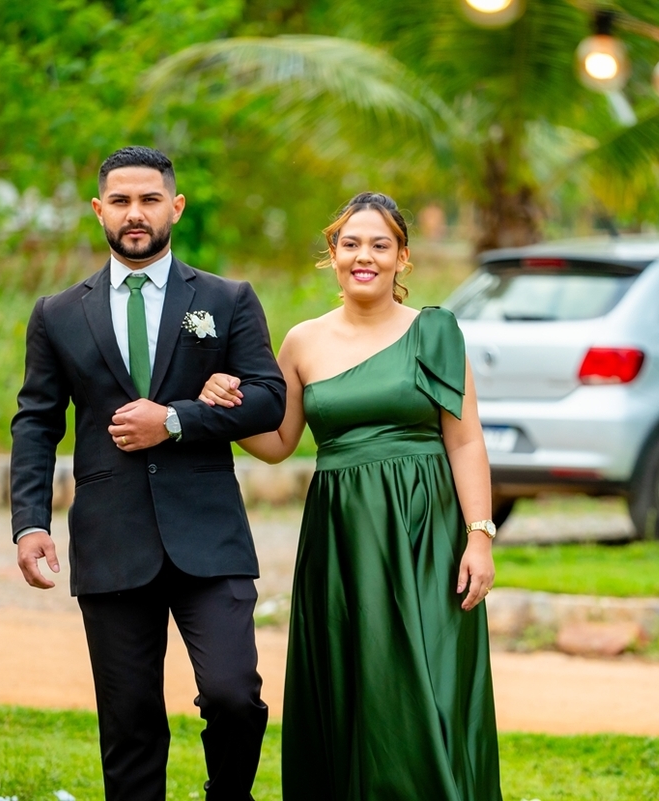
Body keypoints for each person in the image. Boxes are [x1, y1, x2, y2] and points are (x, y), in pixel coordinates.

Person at [198, 192, 502, 799]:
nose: (365, 256)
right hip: (342, 537)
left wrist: (479, 536)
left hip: (426, 533)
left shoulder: (436, 332)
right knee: (353, 681)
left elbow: (466, 443)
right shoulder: (302, 342)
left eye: (380, 244)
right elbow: (280, 440)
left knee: (430, 680)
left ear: (402, 259)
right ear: (332, 255)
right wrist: (222, 409)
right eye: (352, 244)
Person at [9, 146, 285, 801]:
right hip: (111, 537)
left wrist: (179, 418)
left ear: (175, 206)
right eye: (123, 200)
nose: (136, 214)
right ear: (99, 209)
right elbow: (36, 420)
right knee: (129, 723)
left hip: (209, 537)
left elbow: (269, 398)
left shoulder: (226, 298)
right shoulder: (57, 313)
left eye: (150, 199)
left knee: (233, 693)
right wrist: (29, 522)